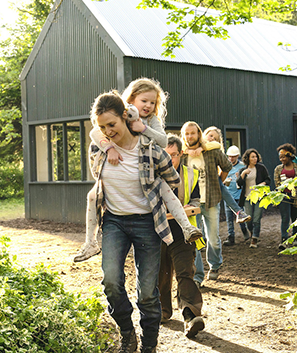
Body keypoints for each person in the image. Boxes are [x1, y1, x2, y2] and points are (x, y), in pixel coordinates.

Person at [89, 91, 179, 353]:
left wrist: (160, 192)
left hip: (147, 224)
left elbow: (174, 180)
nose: (108, 130)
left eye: (112, 125)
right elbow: (97, 177)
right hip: (114, 222)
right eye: (102, 126)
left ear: (124, 117)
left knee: (148, 293)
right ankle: (127, 333)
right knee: (111, 281)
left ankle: (149, 344)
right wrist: (107, 144)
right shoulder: (99, 147)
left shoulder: (149, 148)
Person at [74, 78, 202, 262]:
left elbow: (163, 141)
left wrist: (143, 128)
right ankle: (90, 242)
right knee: (92, 196)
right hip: (120, 172)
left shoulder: (151, 120)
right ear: (132, 98)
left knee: (166, 191)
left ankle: (186, 227)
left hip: (148, 167)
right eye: (144, 100)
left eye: (153, 102)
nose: (148, 105)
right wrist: (108, 147)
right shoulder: (121, 114)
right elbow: (95, 132)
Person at [160, 134, 205, 338]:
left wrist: (191, 207)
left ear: (181, 155)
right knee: (161, 274)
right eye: (166, 155)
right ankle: (162, 311)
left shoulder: (190, 175)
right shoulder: (151, 174)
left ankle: (190, 315)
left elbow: (196, 201)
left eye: (174, 155)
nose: (171, 160)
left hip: (183, 233)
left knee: (185, 272)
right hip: (157, 233)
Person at [181, 121, 232, 283]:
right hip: (192, 204)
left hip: (211, 200)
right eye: (187, 133)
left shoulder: (212, 151)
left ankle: (215, 264)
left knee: (213, 237)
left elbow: (227, 166)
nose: (190, 136)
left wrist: (219, 182)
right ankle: (197, 275)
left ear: (198, 134)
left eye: (193, 133)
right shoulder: (182, 154)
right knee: (194, 239)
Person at [202, 126, 251, 224]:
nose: (212, 139)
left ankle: (238, 212)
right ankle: (239, 211)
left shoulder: (215, 150)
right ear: (204, 135)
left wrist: (220, 179)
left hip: (212, 180)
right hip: (199, 181)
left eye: (215, 138)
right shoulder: (196, 148)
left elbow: (226, 167)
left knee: (220, 184)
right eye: (210, 135)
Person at [273, 143, 297, 249]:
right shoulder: (278, 169)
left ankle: (295, 238)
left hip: (296, 195)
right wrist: (283, 186)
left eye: (283, 157)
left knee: (295, 218)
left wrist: (293, 183)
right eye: (280, 157)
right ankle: (284, 239)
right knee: (285, 217)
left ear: (289, 156)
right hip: (284, 196)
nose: (282, 159)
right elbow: (277, 183)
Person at [237, 148, 271, 248]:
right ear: (247, 158)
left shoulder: (261, 168)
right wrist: (243, 174)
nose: (255, 159)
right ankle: (252, 232)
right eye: (252, 157)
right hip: (247, 198)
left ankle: (255, 238)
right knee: (249, 219)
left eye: (256, 156)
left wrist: (262, 184)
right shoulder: (243, 170)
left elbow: (268, 179)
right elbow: (239, 183)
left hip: (259, 197)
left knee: (256, 219)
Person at [221, 145, 251, 246]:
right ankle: (231, 237)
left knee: (241, 216)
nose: (231, 158)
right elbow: (221, 179)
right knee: (229, 218)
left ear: (237, 156)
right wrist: (225, 182)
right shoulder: (225, 167)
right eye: (229, 156)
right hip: (228, 196)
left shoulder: (242, 166)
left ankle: (245, 231)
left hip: (239, 196)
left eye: (233, 156)